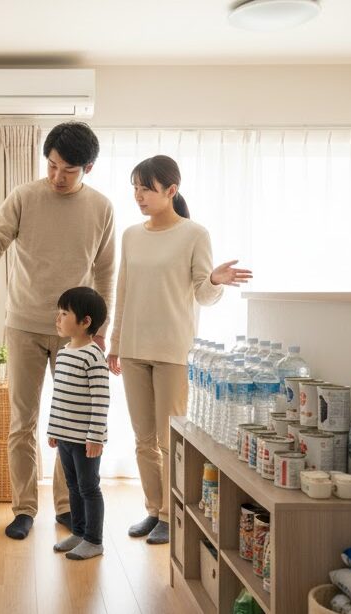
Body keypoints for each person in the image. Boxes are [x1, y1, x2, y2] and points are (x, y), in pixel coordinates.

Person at [0, 122, 116, 540]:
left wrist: (100, 328)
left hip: (76, 334)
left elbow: (106, 269)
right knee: (23, 421)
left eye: (68, 170)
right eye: (52, 165)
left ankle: (66, 505)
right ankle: (24, 507)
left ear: (88, 168)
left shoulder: (102, 208)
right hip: (23, 325)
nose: (57, 176)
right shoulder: (24, 196)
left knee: (72, 424)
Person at [108, 155, 251, 545]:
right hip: (134, 348)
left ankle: (173, 514)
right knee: (142, 438)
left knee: (168, 439)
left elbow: (203, 294)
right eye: (135, 187)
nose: (138, 196)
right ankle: (153, 510)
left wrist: (216, 280)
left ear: (171, 191)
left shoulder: (194, 234)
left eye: (146, 189)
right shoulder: (131, 236)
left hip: (173, 350)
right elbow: (123, 292)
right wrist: (116, 344)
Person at [46, 287, 110, 560]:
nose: (58, 319)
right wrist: (53, 431)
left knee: (88, 488)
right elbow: (58, 396)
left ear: (85, 322)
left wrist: (95, 437)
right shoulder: (63, 353)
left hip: (86, 440)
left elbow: (101, 400)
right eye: (58, 313)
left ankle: (94, 540)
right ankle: (79, 532)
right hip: (65, 437)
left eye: (64, 314)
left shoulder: (94, 356)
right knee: (72, 486)